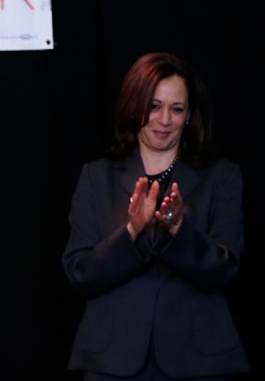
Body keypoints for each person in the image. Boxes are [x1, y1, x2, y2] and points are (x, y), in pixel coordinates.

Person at [62, 52, 249, 380]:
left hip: (198, 363)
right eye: (153, 106)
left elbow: (224, 270)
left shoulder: (221, 176)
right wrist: (132, 231)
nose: (164, 120)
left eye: (176, 109)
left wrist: (179, 230)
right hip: (112, 363)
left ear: (189, 115)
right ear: (135, 107)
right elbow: (81, 274)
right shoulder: (96, 177)